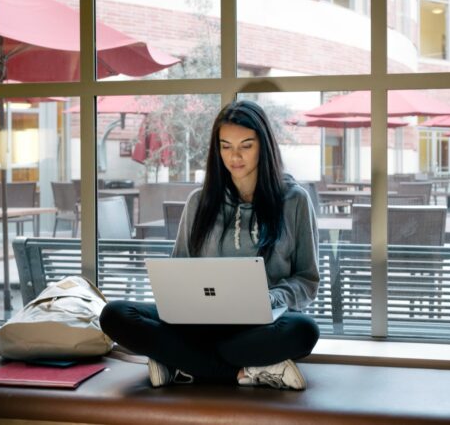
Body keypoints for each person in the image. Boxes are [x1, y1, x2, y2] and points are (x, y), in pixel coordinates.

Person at [100, 100, 320, 390]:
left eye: (246, 145)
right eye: (225, 146)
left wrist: (273, 298)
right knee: (115, 315)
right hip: (199, 322)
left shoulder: (294, 200)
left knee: (304, 331)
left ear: (264, 146)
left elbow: (307, 280)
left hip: (260, 326)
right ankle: (242, 373)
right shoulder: (199, 202)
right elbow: (179, 272)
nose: (235, 156)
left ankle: (180, 362)